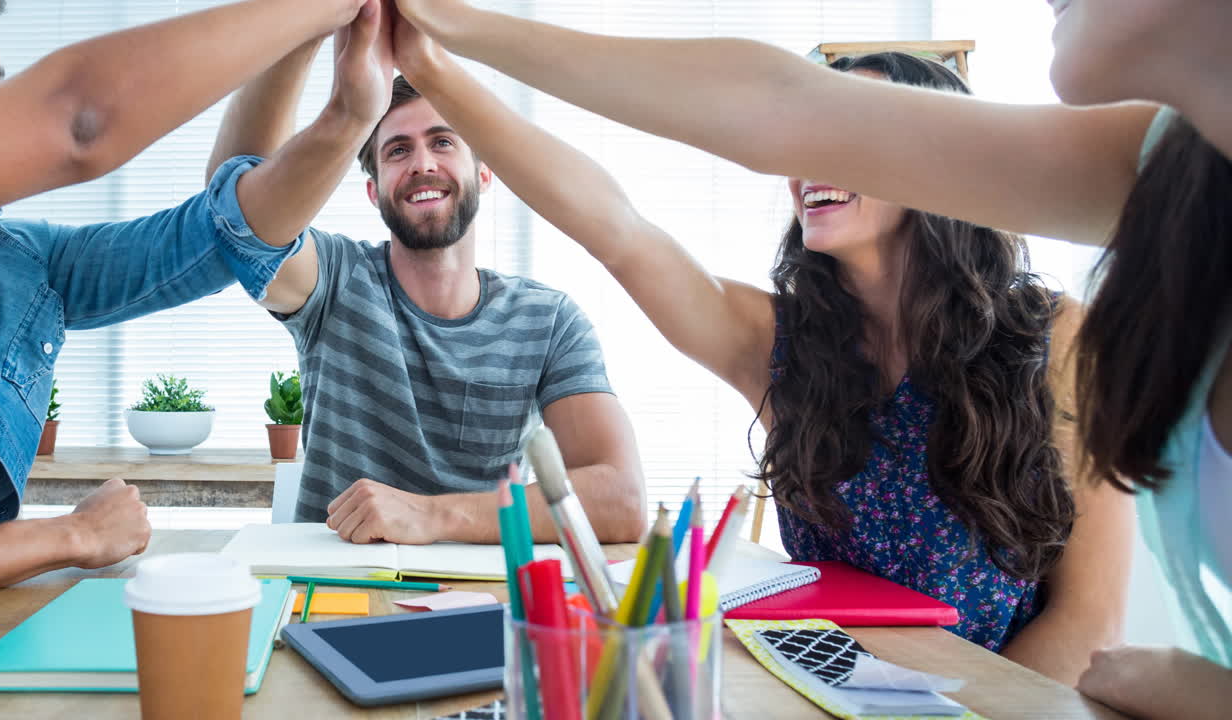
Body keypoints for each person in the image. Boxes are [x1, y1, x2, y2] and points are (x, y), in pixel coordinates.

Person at [392, 1, 1232, 715]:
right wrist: (436, 68)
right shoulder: (777, 344)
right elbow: (617, 228)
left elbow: (1087, 622)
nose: (805, 164)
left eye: (851, 137)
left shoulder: (1059, 338)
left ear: (942, 167)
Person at [0, 0, 384, 602]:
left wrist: (346, 113)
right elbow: (80, 121)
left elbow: (225, 232)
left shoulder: (6, 261)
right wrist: (72, 535)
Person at [202, 52, 646, 546]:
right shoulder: (334, 278)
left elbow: (621, 500)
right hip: (331, 582)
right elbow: (234, 217)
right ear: (374, 192)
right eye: (398, 151)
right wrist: (299, 33)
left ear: (483, 174)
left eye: (443, 142)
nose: (423, 164)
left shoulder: (549, 321)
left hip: (480, 586)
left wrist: (432, 516)